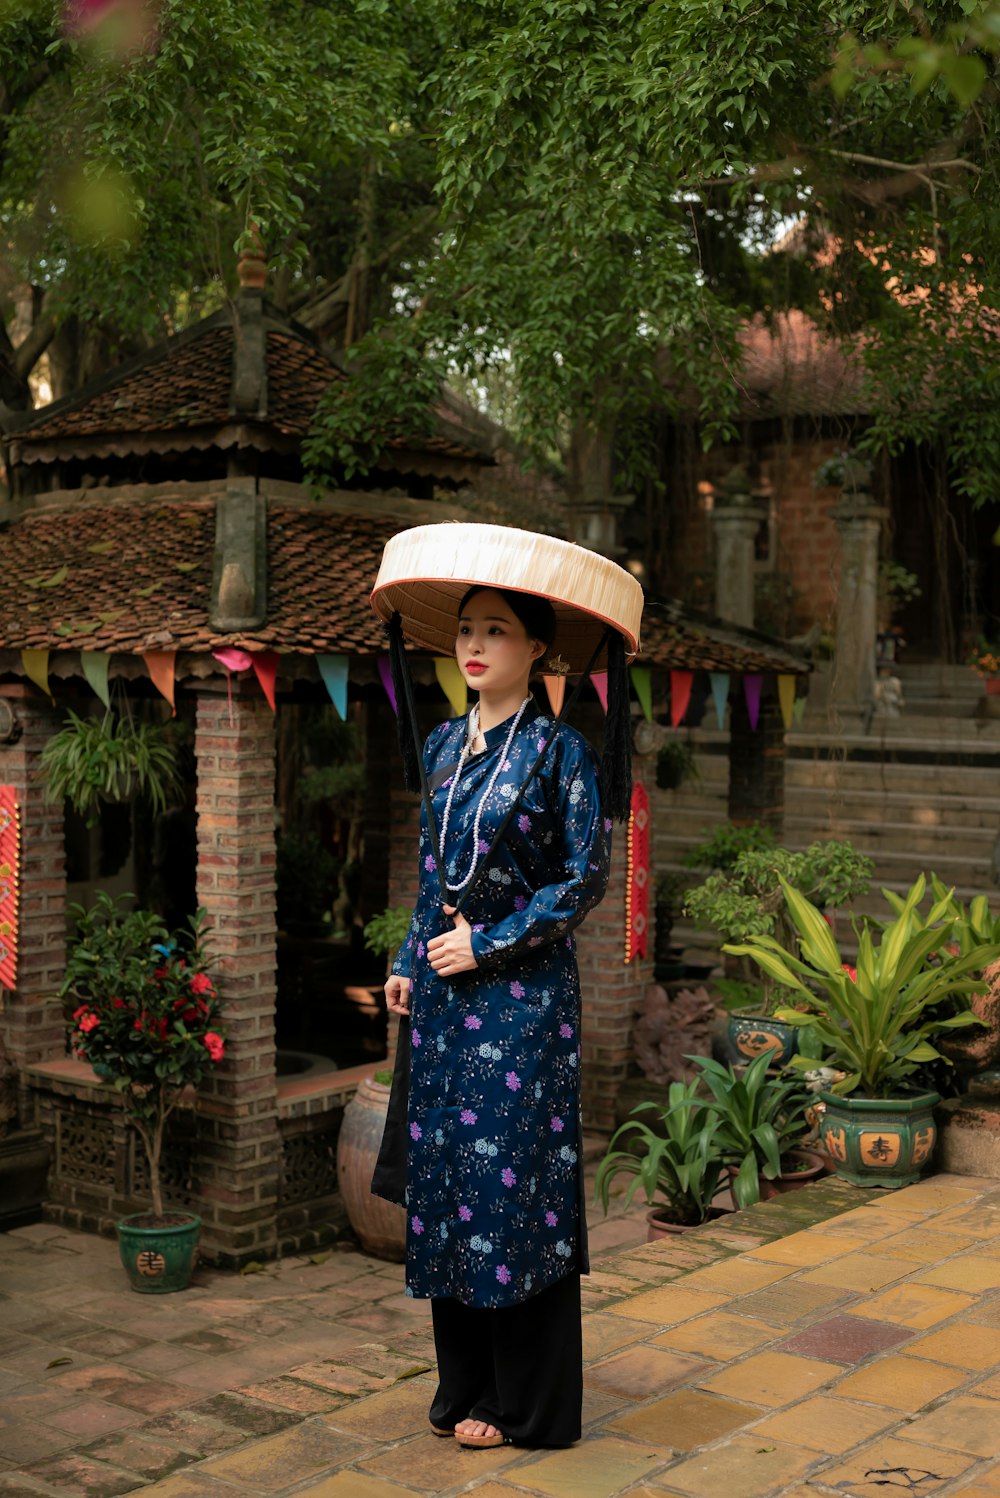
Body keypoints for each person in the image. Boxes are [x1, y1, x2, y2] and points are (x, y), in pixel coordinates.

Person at [382, 584, 612, 1450]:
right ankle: (465, 1385)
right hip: (443, 996)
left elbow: (584, 876)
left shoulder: (560, 752)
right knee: (448, 1188)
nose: (474, 645)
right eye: (467, 631)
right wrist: (410, 962)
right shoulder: (443, 742)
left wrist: (493, 942)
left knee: (515, 1192)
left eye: (496, 632)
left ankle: (529, 1403)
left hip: (522, 1002)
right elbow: (431, 868)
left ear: (538, 650)